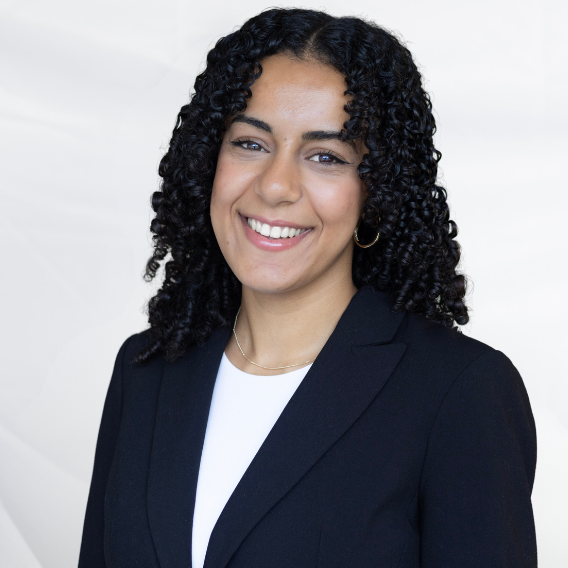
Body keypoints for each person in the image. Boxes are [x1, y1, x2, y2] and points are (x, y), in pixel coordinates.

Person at [78, 8, 537, 568]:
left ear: (376, 192)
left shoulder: (460, 392)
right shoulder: (146, 369)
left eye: (326, 156)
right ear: (207, 160)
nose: (275, 186)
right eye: (250, 143)